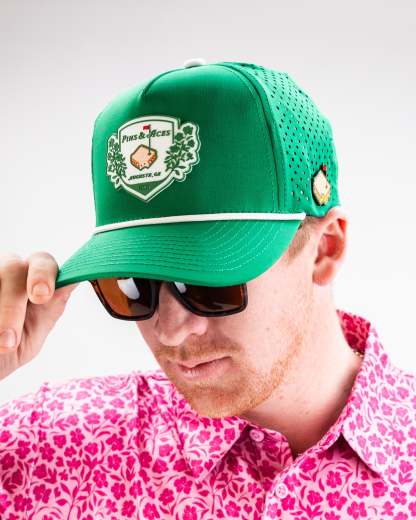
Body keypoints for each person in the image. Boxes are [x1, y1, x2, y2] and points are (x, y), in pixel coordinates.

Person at [0, 59, 414, 520]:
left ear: (325, 249)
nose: (171, 330)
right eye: (132, 285)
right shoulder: (47, 447)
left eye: (207, 282)